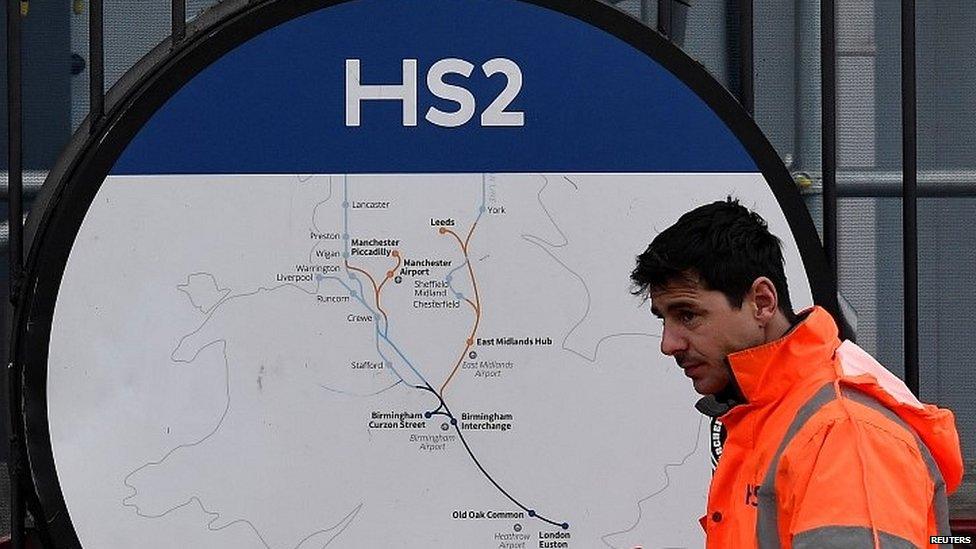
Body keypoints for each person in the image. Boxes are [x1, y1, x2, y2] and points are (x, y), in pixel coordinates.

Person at [630, 198, 963, 548]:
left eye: (687, 315)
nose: (669, 344)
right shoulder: (772, 416)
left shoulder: (842, 431)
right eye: (663, 319)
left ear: (762, 301)